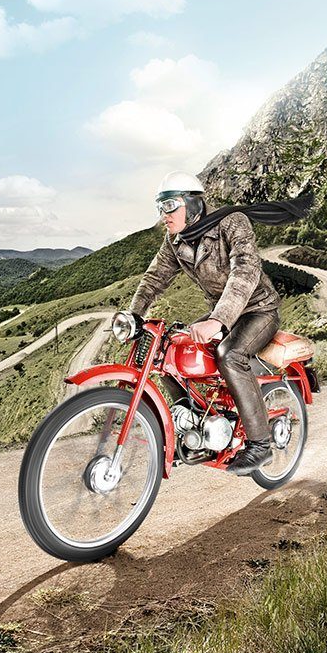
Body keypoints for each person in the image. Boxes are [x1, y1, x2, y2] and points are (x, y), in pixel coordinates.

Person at [127, 171, 282, 476]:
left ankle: (260, 444)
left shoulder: (233, 222)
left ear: (192, 203)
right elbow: (155, 278)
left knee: (231, 355)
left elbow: (245, 273)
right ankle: (191, 423)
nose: (164, 215)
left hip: (258, 310)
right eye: (160, 207)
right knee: (170, 350)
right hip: (221, 313)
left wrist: (218, 321)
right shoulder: (176, 240)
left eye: (170, 205)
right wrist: (134, 314)